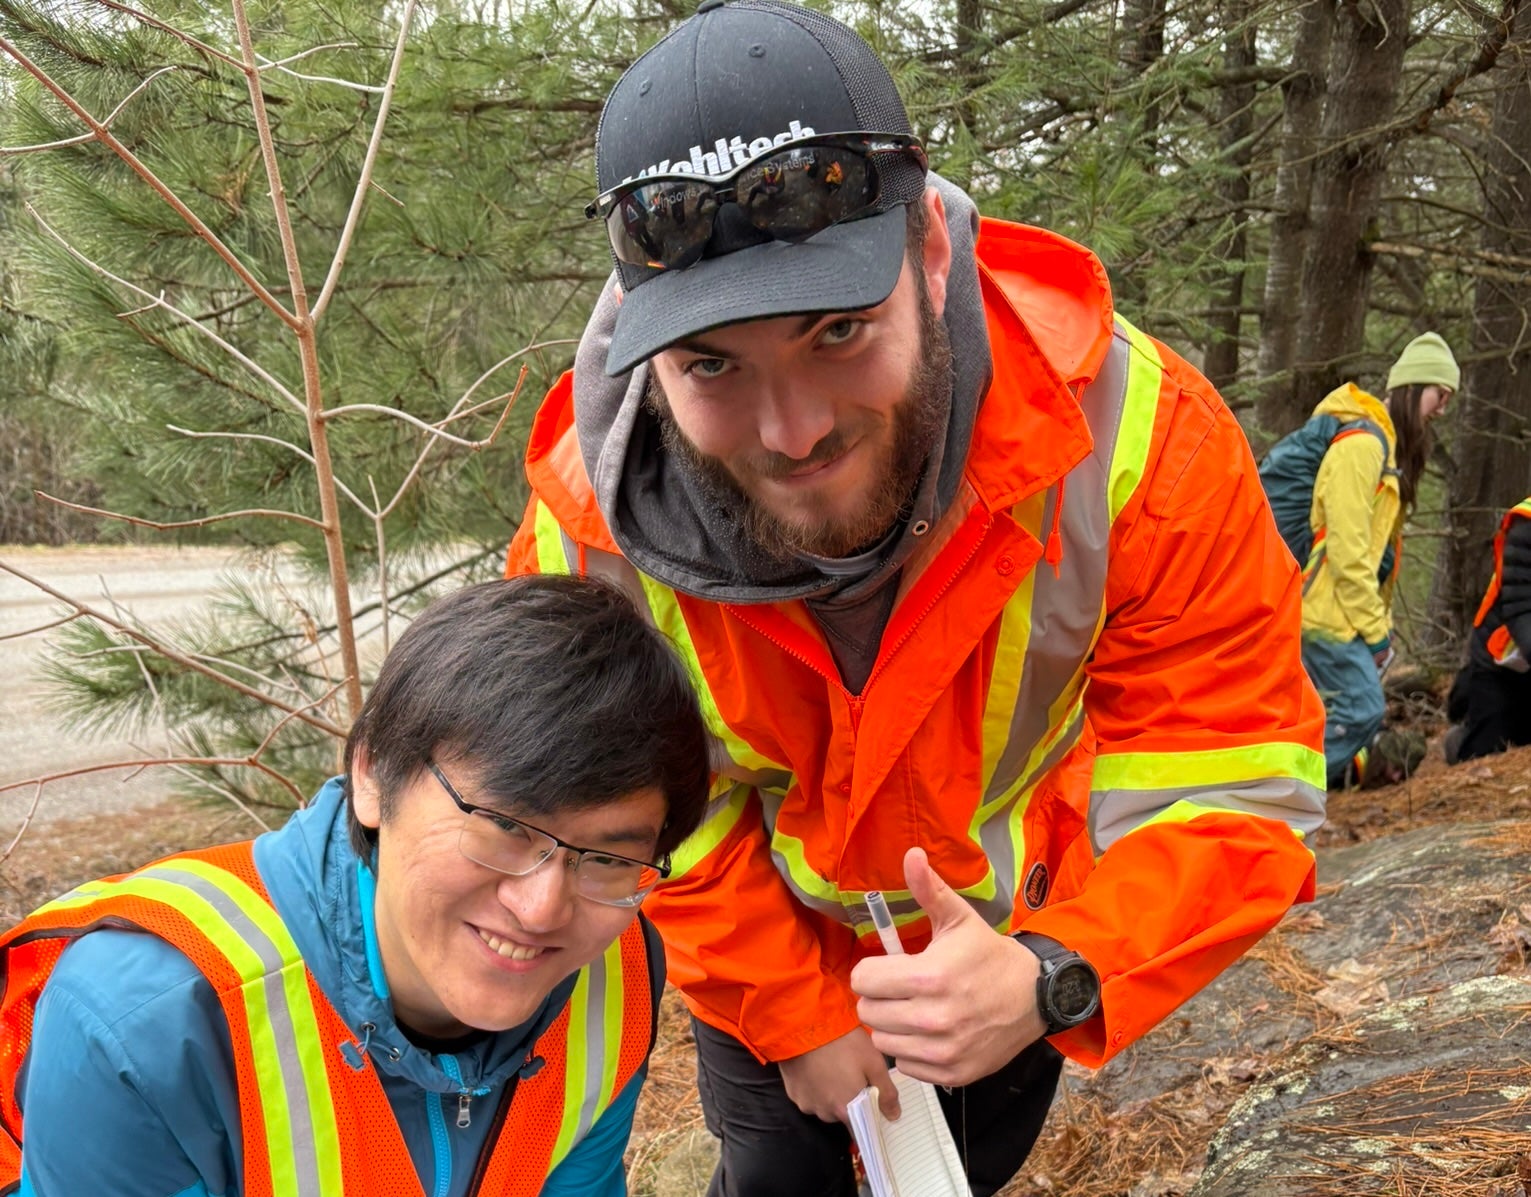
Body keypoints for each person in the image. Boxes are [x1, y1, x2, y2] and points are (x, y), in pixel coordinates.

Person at [508, 3, 1327, 1193]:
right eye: (712, 366)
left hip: (1008, 951)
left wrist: (1054, 971)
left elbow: (1230, 778)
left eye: (838, 329)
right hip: (761, 953)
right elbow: (633, 814)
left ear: (932, 253)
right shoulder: (590, 531)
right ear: (642, 337)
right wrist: (794, 1011)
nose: (791, 433)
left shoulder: (1130, 441)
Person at [1, 576, 710, 1197]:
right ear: (371, 774)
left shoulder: (614, 974)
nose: (541, 908)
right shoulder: (150, 1020)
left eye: (607, 859)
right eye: (502, 826)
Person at [1295, 332, 1458, 789]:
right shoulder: (1362, 447)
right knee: (1362, 708)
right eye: (1439, 394)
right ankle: (1281, 798)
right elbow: (1347, 554)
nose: (1443, 407)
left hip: (1340, 613)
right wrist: (1377, 633)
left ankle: (1285, 801)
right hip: (1325, 613)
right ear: (1412, 387)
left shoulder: (1384, 450)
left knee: (1328, 713)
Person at [1445, 497, 1531, 763]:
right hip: (1501, 659)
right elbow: (1521, 611)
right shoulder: (1526, 524)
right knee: (1483, 753)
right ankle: (1462, 732)